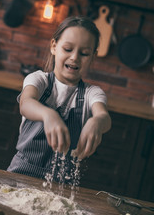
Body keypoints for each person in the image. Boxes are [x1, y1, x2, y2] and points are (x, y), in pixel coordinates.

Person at [7, 16, 111, 182]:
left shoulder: (93, 93)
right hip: (21, 172)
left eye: (84, 53)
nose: (74, 57)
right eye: (68, 49)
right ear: (54, 47)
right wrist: (48, 115)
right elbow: (26, 103)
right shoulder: (38, 80)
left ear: (93, 57)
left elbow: (103, 116)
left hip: (63, 182)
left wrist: (96, 122)